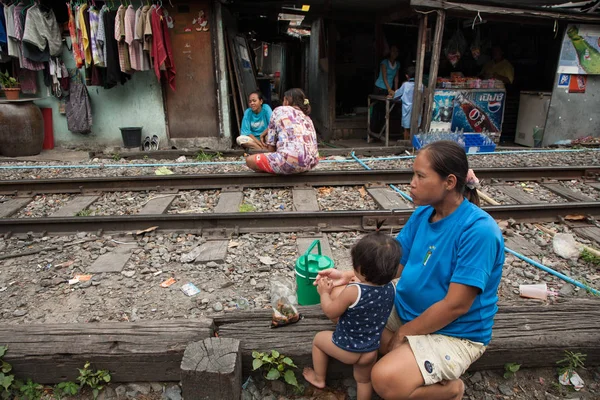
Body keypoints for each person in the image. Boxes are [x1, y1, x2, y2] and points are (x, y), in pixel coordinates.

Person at [315, 141, 505, 400]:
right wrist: (350, 275)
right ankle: (398, 351)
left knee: (384, 380)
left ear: (449, 182)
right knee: (340, 296)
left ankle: (451, 390)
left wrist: (404, 333)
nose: (411, 183)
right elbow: (392, 266)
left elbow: (455, 306)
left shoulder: (478, 231)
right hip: (405, 308)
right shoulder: (424, 214)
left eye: (420, 175)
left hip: (454, 331)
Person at [303, 225, 401, 400]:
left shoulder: (354, 291)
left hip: (348, 348)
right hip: (371, 349)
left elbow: (331, 311)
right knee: (363, 382)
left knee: (318, 340)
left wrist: (324, 293)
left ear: (361, 269)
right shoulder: (391, 288)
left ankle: (319, 379)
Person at [244, 88, 319, 174]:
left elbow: (271, 149)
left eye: (283, 100)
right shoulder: (307, 117)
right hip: (311, 163)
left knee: (249, 160)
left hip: (289, 162)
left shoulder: (278, 110)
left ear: (287, 101)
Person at [371, 46, 400, 134]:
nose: (395, 53)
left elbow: (396, 78)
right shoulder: (384, 63)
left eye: (396, 52)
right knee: (376, 111)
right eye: (393, 51)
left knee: (385, 111)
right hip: (380, 88)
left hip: (389, 89)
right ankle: (373, 132)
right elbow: (384, 77)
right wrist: (389, 89)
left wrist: (396, 90)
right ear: (390, 52)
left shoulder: (397, 64)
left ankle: (381, 132)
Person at [393, 66, 417, 141]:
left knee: (406, 129)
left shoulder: (405, 85)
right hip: (417, 109)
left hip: (407, 110)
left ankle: (406, 144)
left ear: (407, 76)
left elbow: (396, 95)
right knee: (416, 128)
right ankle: (414, 145)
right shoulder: (420, 85)